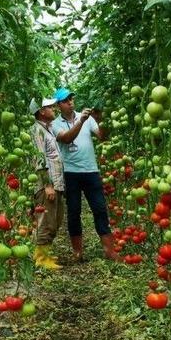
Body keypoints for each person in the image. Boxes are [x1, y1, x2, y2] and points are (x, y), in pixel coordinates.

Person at [51, 88, 120, 262]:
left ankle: (109, 251)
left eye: (71, 99)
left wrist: (101, 120)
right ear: (59, 105)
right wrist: (82, 120)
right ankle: (77, 252)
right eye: (66, 101)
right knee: (74, 212)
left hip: (91, 171)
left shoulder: (87, 119)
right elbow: (66, 138)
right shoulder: (55, 123)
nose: (70, 102)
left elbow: (102, 137)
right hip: (70, 173)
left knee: (100, 209)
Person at [28, 97, 64, 270]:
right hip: (47, 184)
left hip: (55, 182)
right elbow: (39, 158)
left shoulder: (47, 130)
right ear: (42, 111)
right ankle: (41, 258)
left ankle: (44, 252)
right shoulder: (37, 130)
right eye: (51, 107)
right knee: (46, 220)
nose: (54, 109)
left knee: (55, 220)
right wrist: (47, 184)